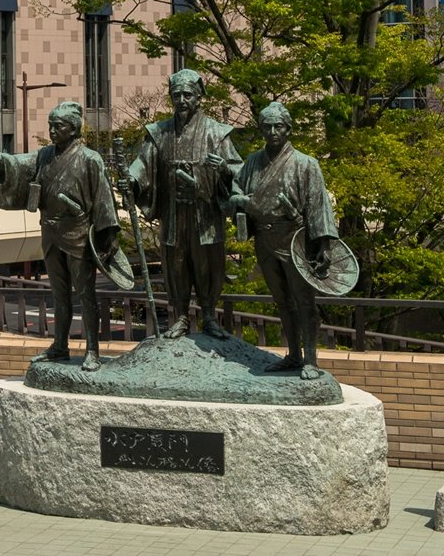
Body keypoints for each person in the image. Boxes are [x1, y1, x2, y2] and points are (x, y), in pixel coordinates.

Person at [0, 101, 119, 372]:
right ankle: (59, 346)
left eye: (58, 126)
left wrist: (109, 236)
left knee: (86, 294)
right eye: (50, 126)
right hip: (51, 233)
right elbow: (14, 165)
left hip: (79, 234)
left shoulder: (91, 159)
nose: (52, 131)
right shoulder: (44, 156)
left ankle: (92, 349)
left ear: (73, 129)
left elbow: (104, 200)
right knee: (59, 294)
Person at [127, 69, 242, 339]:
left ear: (199, 98)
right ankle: (179, 316)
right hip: (174, 213)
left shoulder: (216, 132)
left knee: (207, 264)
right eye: (176, 95)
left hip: (205, 213)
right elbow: (142, 163)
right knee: (176, 263)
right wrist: (131, 180)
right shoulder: (159, 133)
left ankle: (209, 316)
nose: (181, 100)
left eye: (187, 95)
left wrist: (224, 169)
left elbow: (240, 170)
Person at [229, 102, 338, 379]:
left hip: (295, 240)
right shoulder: (252, 162)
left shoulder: (305, 164)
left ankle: (311, 359)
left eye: (278, 126)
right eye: (267, 126)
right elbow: (235, 189)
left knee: (304, 301)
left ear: (288, 129)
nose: (273, 131)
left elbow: (318, 206)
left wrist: (324, 245)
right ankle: (293, 355)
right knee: (281, 301)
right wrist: (239, 199)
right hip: (264, 239)